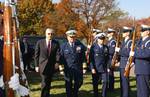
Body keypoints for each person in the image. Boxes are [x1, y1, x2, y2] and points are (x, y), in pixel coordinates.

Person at [60, 29, 86, 97]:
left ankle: (74, 93)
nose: (72, 38)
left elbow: (83, 57)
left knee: (79, 82)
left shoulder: (80, 46)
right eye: (70, 37)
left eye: (73, 37)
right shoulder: (63, 46)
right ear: (67, 37)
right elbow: (61, 59)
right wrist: (61, 69)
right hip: (68, 68)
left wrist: (84, 67)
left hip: (78, 67)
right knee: (68, 83)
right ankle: (69, 95)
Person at [34, 28, 60, 97]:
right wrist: (36, 65)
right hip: (42, 65)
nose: (50, 35)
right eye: (48, 34)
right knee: (44, 82)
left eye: (52, 34)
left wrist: (57, 63)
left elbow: (58, 54)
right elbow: (36, 55)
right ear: (45, 34)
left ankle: (47, 95)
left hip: (51, 66)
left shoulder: (56, 43)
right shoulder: (40, 42)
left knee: (48, 82)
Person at [131, 24, 150, 97]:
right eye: (141, 31)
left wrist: (134, 53)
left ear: (148, 32)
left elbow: (147, 54)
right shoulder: (140, 41)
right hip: (138, 69)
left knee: (144, 90)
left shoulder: (148, 42)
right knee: (139, 90)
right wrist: (132, 61)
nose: (141, 32)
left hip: (144, 69)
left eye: (143, 31)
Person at [89, 33, 109, 97]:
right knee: (95, 83)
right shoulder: (93, 47)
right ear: (97, 39)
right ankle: (96, 95)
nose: (102, 40)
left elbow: (107, 59)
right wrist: (92, 68)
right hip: (96, 68)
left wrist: (108, 67)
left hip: (104, 68)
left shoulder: (106, 47)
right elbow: (91, 59)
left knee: (105, 82)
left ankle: (104, 95)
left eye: (103, 39)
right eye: (100, 39)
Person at [115, 26, 132, 97]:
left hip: (126, 64)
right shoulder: (123, 42)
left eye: (124, 32)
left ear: (128, 33)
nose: (123, 33)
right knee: (122, 82)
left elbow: (129, 53)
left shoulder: (130, 42)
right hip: (122, 63)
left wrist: (119, 51)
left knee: (125, 82)